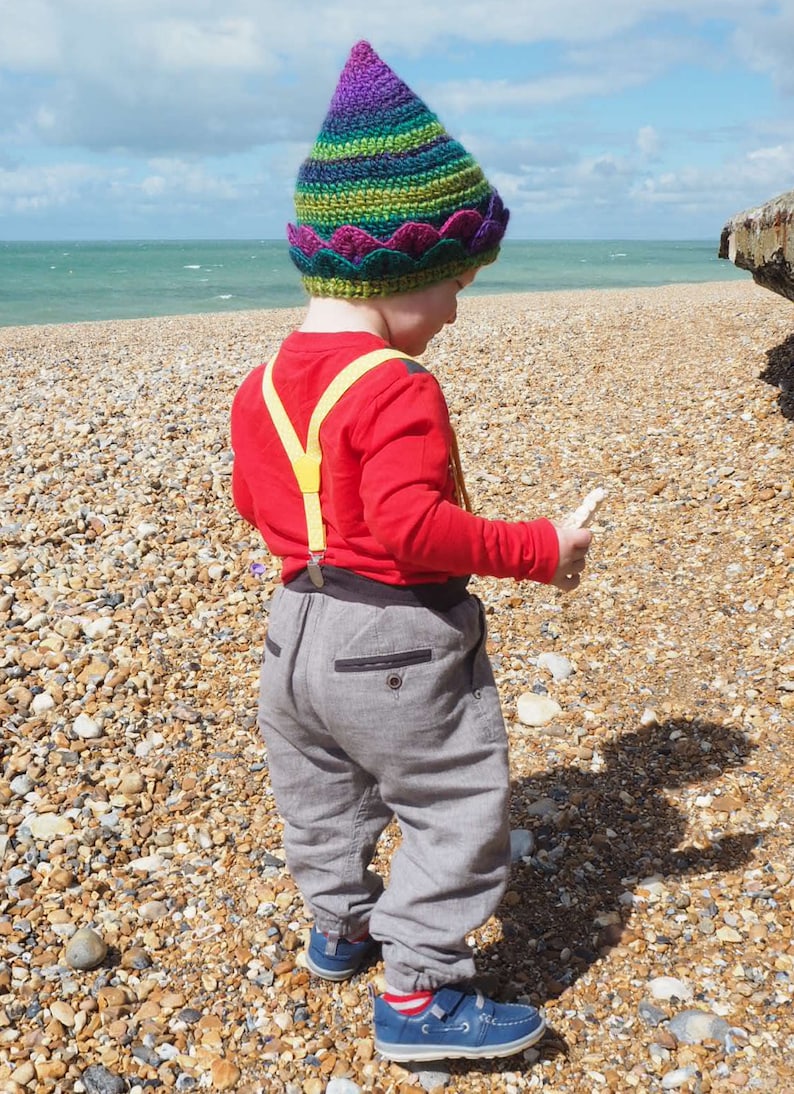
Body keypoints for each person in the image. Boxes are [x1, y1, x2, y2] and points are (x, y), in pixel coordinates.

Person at [230, 40, 592, 1063]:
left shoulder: (262, 381)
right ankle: (420, 992)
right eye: (455, 285)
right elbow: (412, 528)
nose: (456, 309)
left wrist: (306, 546)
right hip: (392, 639)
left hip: (294, 627)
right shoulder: (395, 384)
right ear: (401, 273)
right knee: (453, 802)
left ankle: (340, 928)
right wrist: (542, 547)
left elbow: (251, 498)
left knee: (322, 793)